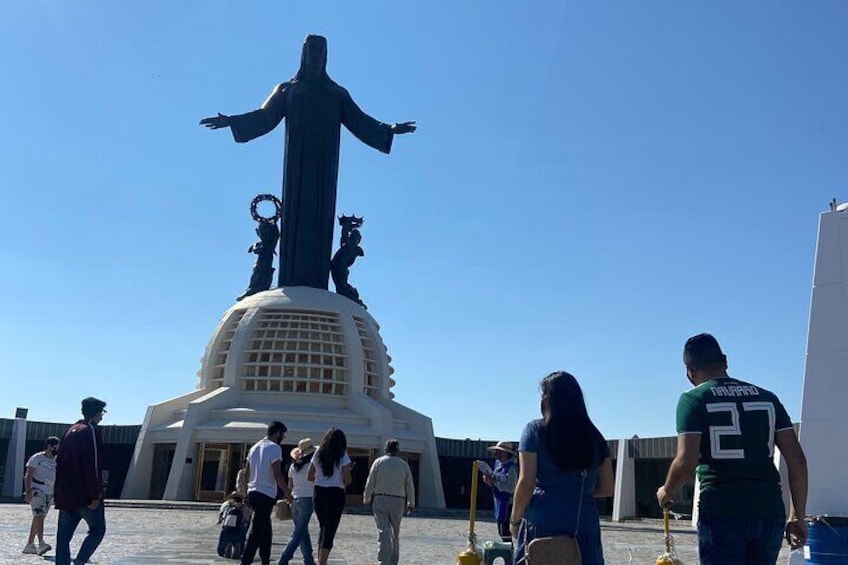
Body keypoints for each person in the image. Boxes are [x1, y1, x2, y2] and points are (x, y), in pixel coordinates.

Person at [200, 34, 416, 290]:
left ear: (326, 56)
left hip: (325, 165)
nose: (315, 55)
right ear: (303, 54)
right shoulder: (288, 89)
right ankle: (289, 283)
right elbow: (265, 116)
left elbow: (360, 121)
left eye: (320, 51)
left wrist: (388, 129)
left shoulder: (336, 94)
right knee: (296, 215)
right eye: (311, 50)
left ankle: (317, 286)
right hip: (296, 165)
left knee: (321, 214)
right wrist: (232, 121)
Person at [656, 333, 809, 565]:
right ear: (725, 360)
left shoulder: (693, 399)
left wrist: (667, 491)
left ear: (690, 371)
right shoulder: (768, 398)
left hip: (722, 509)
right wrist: (797, 514)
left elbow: (686, 462)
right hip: (768, 510)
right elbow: (796, 458)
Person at [510, 372, 614, 565]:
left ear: (548, 398)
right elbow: (608, 487)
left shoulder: (534, 431)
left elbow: (526, 482)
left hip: (543, 520)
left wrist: (515, 520)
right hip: (583, 520)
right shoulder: (595, 437)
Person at [54, 397, 108, 565]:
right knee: (97, 530)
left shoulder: (70, 430)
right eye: (102, 413)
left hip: (66, 494)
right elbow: (92, 464)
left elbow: (60, 463)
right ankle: (79, 561)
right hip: (84, 495)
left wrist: (59, 494)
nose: (102, 416)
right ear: (97, 413)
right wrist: (95, 494)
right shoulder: (90, 430)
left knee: (63, 538)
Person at [240, 421, 291, 565]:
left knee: (266, 529)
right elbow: (277, 473)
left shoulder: (255, 447)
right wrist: (287, 492)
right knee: (256, 531)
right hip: (266, 493)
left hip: (253, 491)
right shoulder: (274, 448)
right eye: (282, 435)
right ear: (277, 433)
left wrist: (245, 492)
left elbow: (246, 473)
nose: (282, 438)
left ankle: (265, 560)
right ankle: (245, 561)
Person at [363, 439, 416, 565]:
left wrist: (367, 497)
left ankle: (383, 561)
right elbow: (409, 485)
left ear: (386, 449)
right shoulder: (403, 464)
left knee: (383, 531)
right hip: (398, 500)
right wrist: (411, 502)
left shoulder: (378, 462)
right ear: (398, 450)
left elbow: (370, 480)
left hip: (380, 499)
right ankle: (393, 561)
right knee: (395, 532)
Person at [308, 428, 352, 565]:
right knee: (330, 529)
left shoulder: (318, 453)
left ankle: (320, 559)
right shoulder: (342, 454)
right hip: (335, 493)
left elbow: (309, 476)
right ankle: (323, 562)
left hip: (319, 492)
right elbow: (348, 479)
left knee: (323, 527)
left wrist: (321, 479)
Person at [278, 438, 317, 565]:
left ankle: (309, 560)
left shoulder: (293, 467)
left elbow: (290, 486)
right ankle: (283, 560)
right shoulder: (312, 466)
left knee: (302, 532)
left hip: (294, 500)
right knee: (298, 534)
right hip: (307, 500)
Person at [21, 436, 60, 556]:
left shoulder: (57, 460)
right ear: (49, 446)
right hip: (37, 489)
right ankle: (41, 542)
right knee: (38, 514)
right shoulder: (37, 458)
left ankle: (29, 544)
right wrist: (28, 491)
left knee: (39, 517)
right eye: (56, 446)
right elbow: (29, 475)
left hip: (50, 491)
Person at [481, 440, 518, 543]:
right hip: (498, 501)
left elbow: (510, 488)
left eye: (500, 451)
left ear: (507, 453)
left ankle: (508, 555)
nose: (497, 453)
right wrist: (489, 481)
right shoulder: (498, 465)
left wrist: (494, 482)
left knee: (505, 532)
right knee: (500, 530)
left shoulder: (511, 468)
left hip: (507, 503)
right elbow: (496, 482)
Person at [218, 491, 249, 559]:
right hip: (239, 526)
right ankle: (238, 548)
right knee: (240, 539)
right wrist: (246, 523)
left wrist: (219, 520)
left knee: (224, 539)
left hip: (227, 526)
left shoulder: (226, 504)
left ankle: (224, 550)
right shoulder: (244, 506)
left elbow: (221, 513)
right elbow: (247, 516)